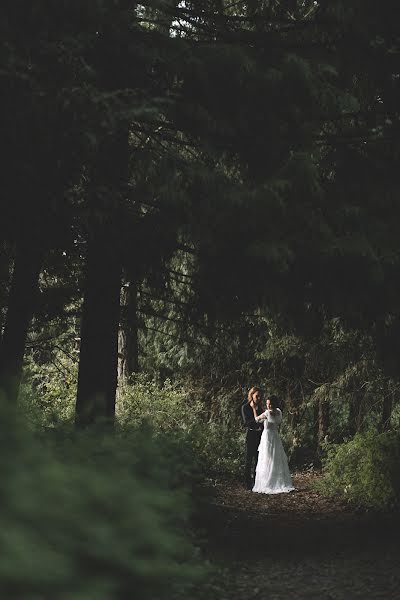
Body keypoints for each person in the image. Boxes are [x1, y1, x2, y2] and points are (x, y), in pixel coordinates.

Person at [251, 394, 295, 494]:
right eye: (267, 404)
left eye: (270, 404)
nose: (268, 406)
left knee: (268, 458)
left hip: (267, 437)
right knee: (274, 458)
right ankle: (275, 480)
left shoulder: (267, 413)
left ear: (273, 404)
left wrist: (254, 409)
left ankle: (268, 482)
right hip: (275, 436)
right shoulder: (279, 411)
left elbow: (256, 419)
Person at [241, 386, 264, 490]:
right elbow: (247, 423)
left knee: (258, 460)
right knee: (248, 460)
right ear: (252, 395)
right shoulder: (245, 407)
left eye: (260, 397)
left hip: (260, 436)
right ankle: (247, 483)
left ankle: (256, 483)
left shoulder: (261, 407)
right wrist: (256, 423)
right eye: (257, 396)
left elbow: (263, 422)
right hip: (250, 435)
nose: (258, 398)